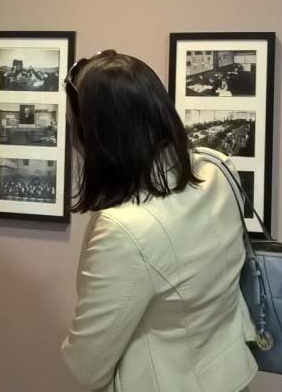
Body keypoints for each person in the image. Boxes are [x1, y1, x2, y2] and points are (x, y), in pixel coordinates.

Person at [60, 50, 257, 392]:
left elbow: (85, 368)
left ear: (98, 138)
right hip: (231, 377)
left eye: (74, 128)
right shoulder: (218, 169)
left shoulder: (124, 229)